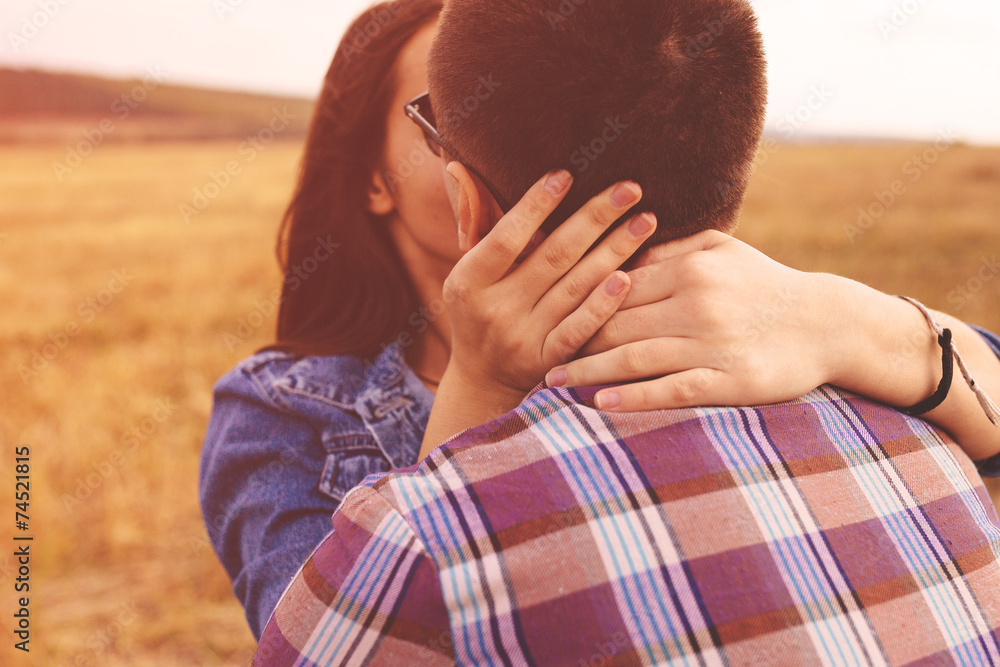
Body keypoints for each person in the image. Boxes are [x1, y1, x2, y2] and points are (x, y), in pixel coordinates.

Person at [200, 0, 1000, 641]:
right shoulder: (286, 411)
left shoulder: (763, 325)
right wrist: (480, 385)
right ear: (373, 175)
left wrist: (848, 319)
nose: (500, 108)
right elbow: (321, 632)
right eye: (449, 100)